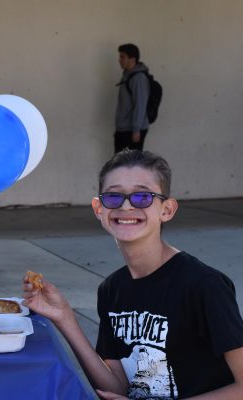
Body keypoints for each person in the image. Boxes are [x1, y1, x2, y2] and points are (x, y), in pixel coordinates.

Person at [24, 149, 243, 399]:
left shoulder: (204, 285)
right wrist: (65, 317)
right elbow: (116, 388)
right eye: (114, 197)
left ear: (167, 209)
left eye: (142, 197)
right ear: (99, 208)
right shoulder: (111, 290)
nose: (126, 206)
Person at [114, 43, 150, 154]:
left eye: (122, 57)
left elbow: (140, 105)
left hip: (131, 131)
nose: (119, 60)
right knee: (121, 166)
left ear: (132, 59)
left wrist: (136, 130)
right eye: (120, 56)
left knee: (129, 166)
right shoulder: (127, 76)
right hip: (124, 129)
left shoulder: (138, 78)